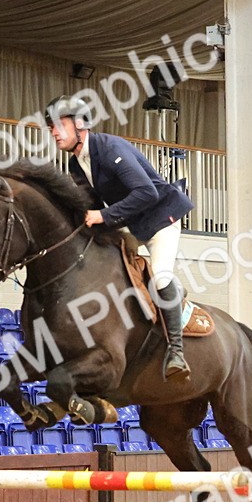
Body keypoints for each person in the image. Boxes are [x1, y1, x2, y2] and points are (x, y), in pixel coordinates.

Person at [44, 94, 196, 383]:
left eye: (58, 125)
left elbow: (146, 193)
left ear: (79, 125)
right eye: (51, 127)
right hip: (131, 224)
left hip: (160, 218)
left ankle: (176, 352)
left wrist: (103, 217)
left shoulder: (110, 148)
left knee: (161, 278)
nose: (53, 132)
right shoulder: (77, 165)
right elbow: (86, 208)